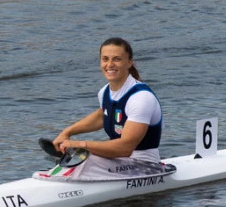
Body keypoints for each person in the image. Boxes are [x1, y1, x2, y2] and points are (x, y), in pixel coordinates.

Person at [47, 37, 165, 180]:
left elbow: (125, 148)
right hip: (120, 161)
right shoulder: (104, 92)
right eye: (105, 59)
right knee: (77, 160)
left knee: (83, 160)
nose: (110, 64)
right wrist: (67, 132)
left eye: (117, 59)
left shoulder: (141, 98)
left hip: (146, 165)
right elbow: (102, 116)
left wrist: (80, 144)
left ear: (129, 63)